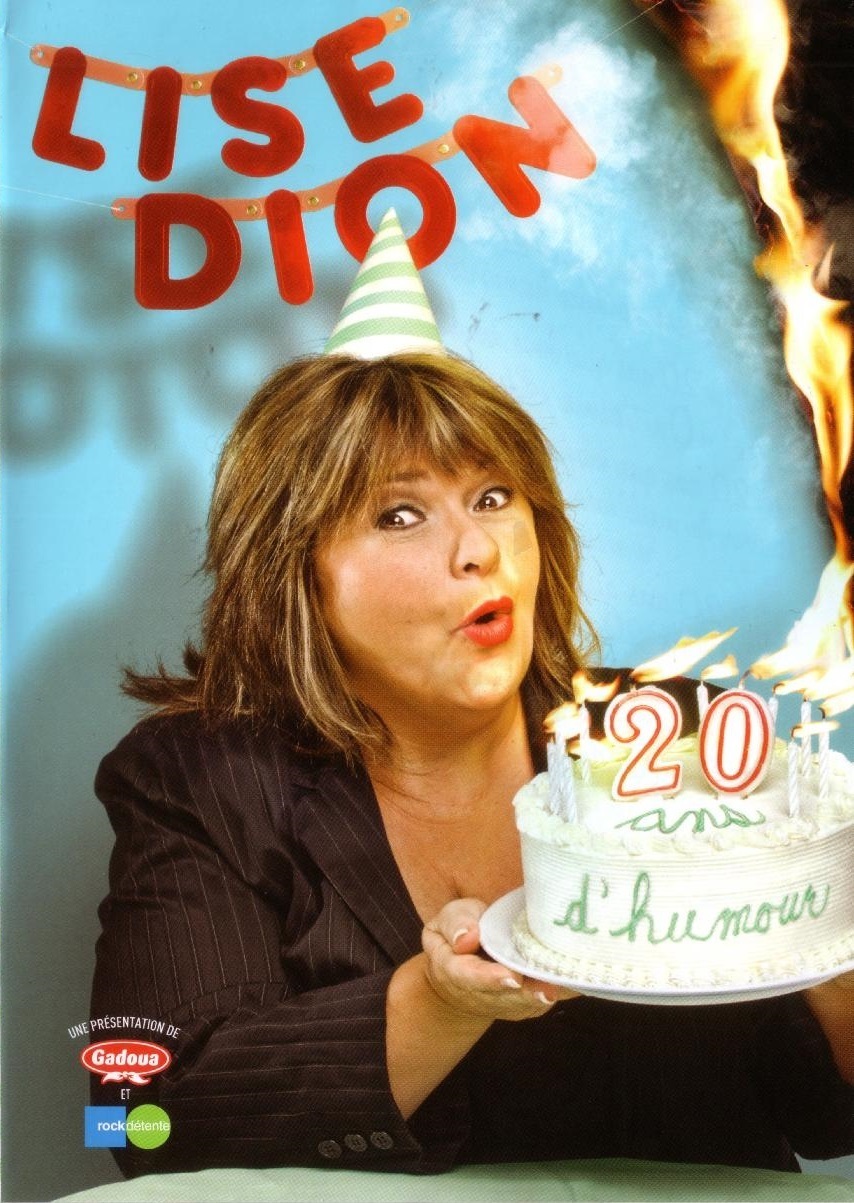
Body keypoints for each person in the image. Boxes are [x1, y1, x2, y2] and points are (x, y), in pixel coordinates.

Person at [91, 220, 854, 1181]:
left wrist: (833, 948)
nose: (478, 550)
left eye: (494, 497)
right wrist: (438, 1003)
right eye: (400, 514)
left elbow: (825, 1114)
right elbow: (137, 1125)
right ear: (296, 576)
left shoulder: (678, 740)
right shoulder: (198, 782)